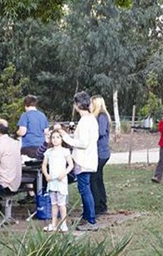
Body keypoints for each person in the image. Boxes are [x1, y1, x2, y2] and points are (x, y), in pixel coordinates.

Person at [60, 91, 99, 231]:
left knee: (85, 189)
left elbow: (83, 143)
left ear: (77, 105)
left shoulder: (85, 121)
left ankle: (91, 220)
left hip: (84, 160)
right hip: (87, 158)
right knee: (84, 189)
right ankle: (87, 216)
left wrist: (65, 137)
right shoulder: (91, 119)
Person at [16, 94, 49, 204]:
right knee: (39, 168)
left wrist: (16, 132)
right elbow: (46, 132)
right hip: (41, 146)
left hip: (28, 147)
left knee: (26, 169)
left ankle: (31, 193)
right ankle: (39, 192)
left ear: (25, 104)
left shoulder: (25, 115)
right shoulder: (42, 115)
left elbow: (23, 131)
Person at [41, 129, 74, 232]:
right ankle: (53, 223)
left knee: (61, 204)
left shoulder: (65, 151)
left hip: (61, 181)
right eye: (53, 137)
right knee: (53, 204)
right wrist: (46, 175)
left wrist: (64, 174)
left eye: (57, 137)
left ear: (61, 139)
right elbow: (44, 165)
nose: (55, 140)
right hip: (52, 181)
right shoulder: (48, 152)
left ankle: (64, 224)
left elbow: (71, 165)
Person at [90, 95, 111, 215]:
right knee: (98, 178)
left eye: (92, 103)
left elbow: (101, 132)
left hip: (101, 153)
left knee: (94, 178)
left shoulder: (101, 116)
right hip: (100, 152)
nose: (90, 106)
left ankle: (98, 206)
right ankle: (102, 204)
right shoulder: (99, 116)